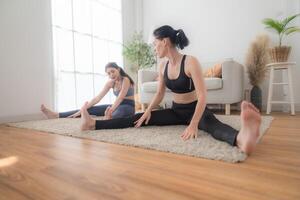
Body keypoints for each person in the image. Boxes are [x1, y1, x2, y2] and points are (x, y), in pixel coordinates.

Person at [80, 25, 261, 155]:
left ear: (165, 42)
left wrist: (194, 123)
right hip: (176, 111)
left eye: (155, 44)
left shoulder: (190, 62)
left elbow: (202, 95)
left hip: (194, 110)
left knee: (214, 127)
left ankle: (242, 139)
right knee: (137, 119)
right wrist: (148, 111)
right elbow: (159, 94)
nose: (154, 48)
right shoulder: (163, 65)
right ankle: (93, 124)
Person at [41, 62, 135, 120]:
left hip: (128, 106)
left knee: (115, 115)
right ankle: (57, 115)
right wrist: (82, 110)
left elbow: (120, 97)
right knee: (88, 109)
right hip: (116, 105)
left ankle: (108, 117)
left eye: (113, 71)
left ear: (118, 69)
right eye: (108, 73)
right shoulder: (110, 83)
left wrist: (110, 110)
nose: (111, 75)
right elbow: (97, 98)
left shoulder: (125, 79)